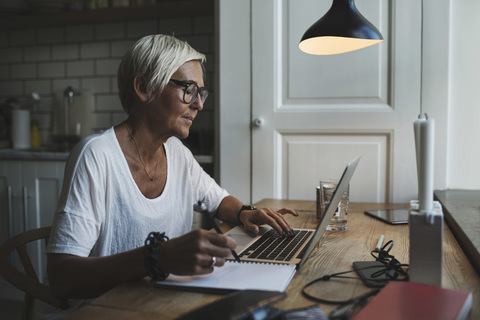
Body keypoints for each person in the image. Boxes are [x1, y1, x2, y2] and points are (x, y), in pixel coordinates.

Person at [46, 34, 297, 307]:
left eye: (201, 93)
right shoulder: (96, 155)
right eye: (188, 89)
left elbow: (218, 200)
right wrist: (157, 257)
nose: (199, 104)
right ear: (143, 87)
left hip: (167, 304)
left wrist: (244, 212)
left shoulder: (177, 153)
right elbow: (61, 278)